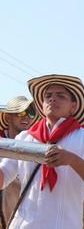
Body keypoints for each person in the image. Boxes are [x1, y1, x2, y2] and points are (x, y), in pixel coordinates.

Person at [0, 74, 84, 228]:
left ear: (73, 106)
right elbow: (3, 178)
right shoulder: (25, 138)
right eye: (48, 96)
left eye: (61, 96)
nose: (52, 99)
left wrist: (72, 160)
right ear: (42, 105)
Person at [0, 96, 37, 228]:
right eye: (20, 112)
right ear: (8, 117)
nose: (26, 117)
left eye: (30, 113)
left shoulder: (38, 147)